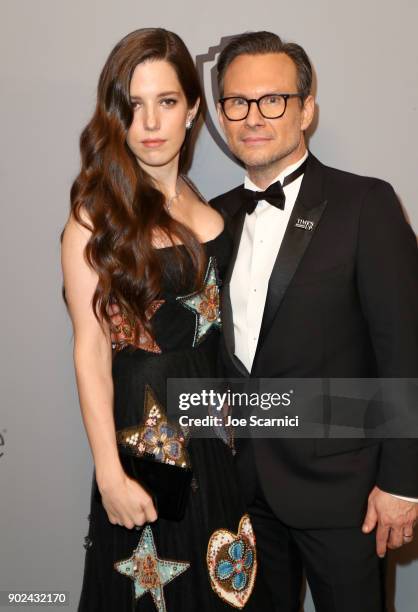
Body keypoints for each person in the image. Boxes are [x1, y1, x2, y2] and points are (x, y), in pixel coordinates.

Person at [61, 28, 271, 612]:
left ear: (194, 110)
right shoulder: (94, 216)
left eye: (168, 101)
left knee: (225, 590)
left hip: (216, 437)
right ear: (116, 115)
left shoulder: (207, 205)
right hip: (146, 442)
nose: (150, 122)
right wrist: (108, 474)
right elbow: (90, 351)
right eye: (135, 105)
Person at [210, 31, 418, 612]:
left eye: (272, 100)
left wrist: (403, 482)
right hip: (241, 495)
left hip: (347, 496)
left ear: (306, 110)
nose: (253, 117)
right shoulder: (212, 220)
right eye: (237, 102)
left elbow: (404, 348)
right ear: (222, 114)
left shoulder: (366, 205)